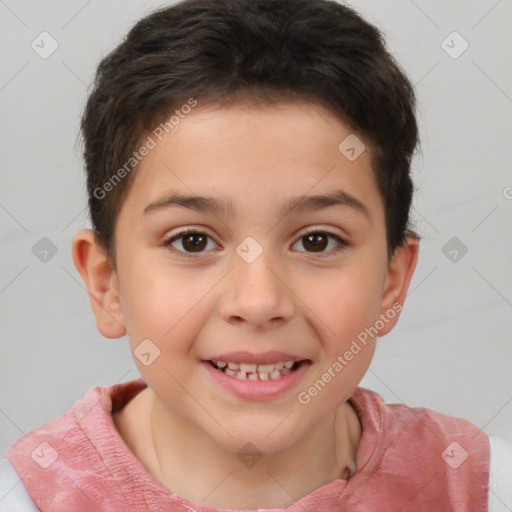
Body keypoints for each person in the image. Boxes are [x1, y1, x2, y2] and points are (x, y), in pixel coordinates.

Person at [1, 0, 511, 510]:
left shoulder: (481, 489)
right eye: (192, 241)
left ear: (391, 282)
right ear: (106, 281)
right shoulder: (26, 496)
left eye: (317, 240)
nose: (259, 300)